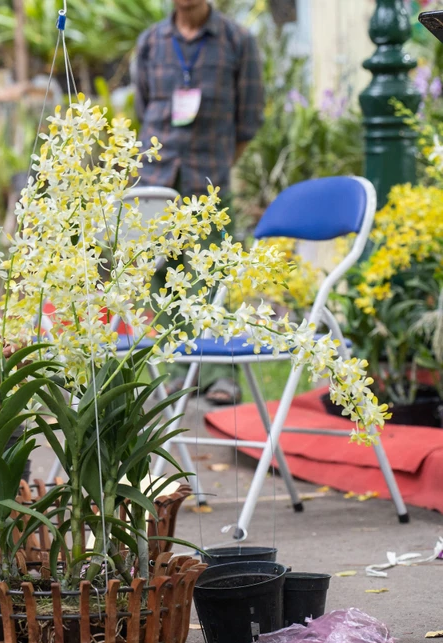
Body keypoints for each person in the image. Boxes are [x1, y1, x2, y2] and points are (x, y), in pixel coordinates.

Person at [133, 0, 264, 403]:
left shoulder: (237, 40)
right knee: (162, 277)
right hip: (157, 176)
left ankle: (222, 375)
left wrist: (220, 164)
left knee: (214, 276)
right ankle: (183, 368)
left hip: (209, 180)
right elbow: (143, 107)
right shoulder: (151, 41)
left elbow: (250, 117)